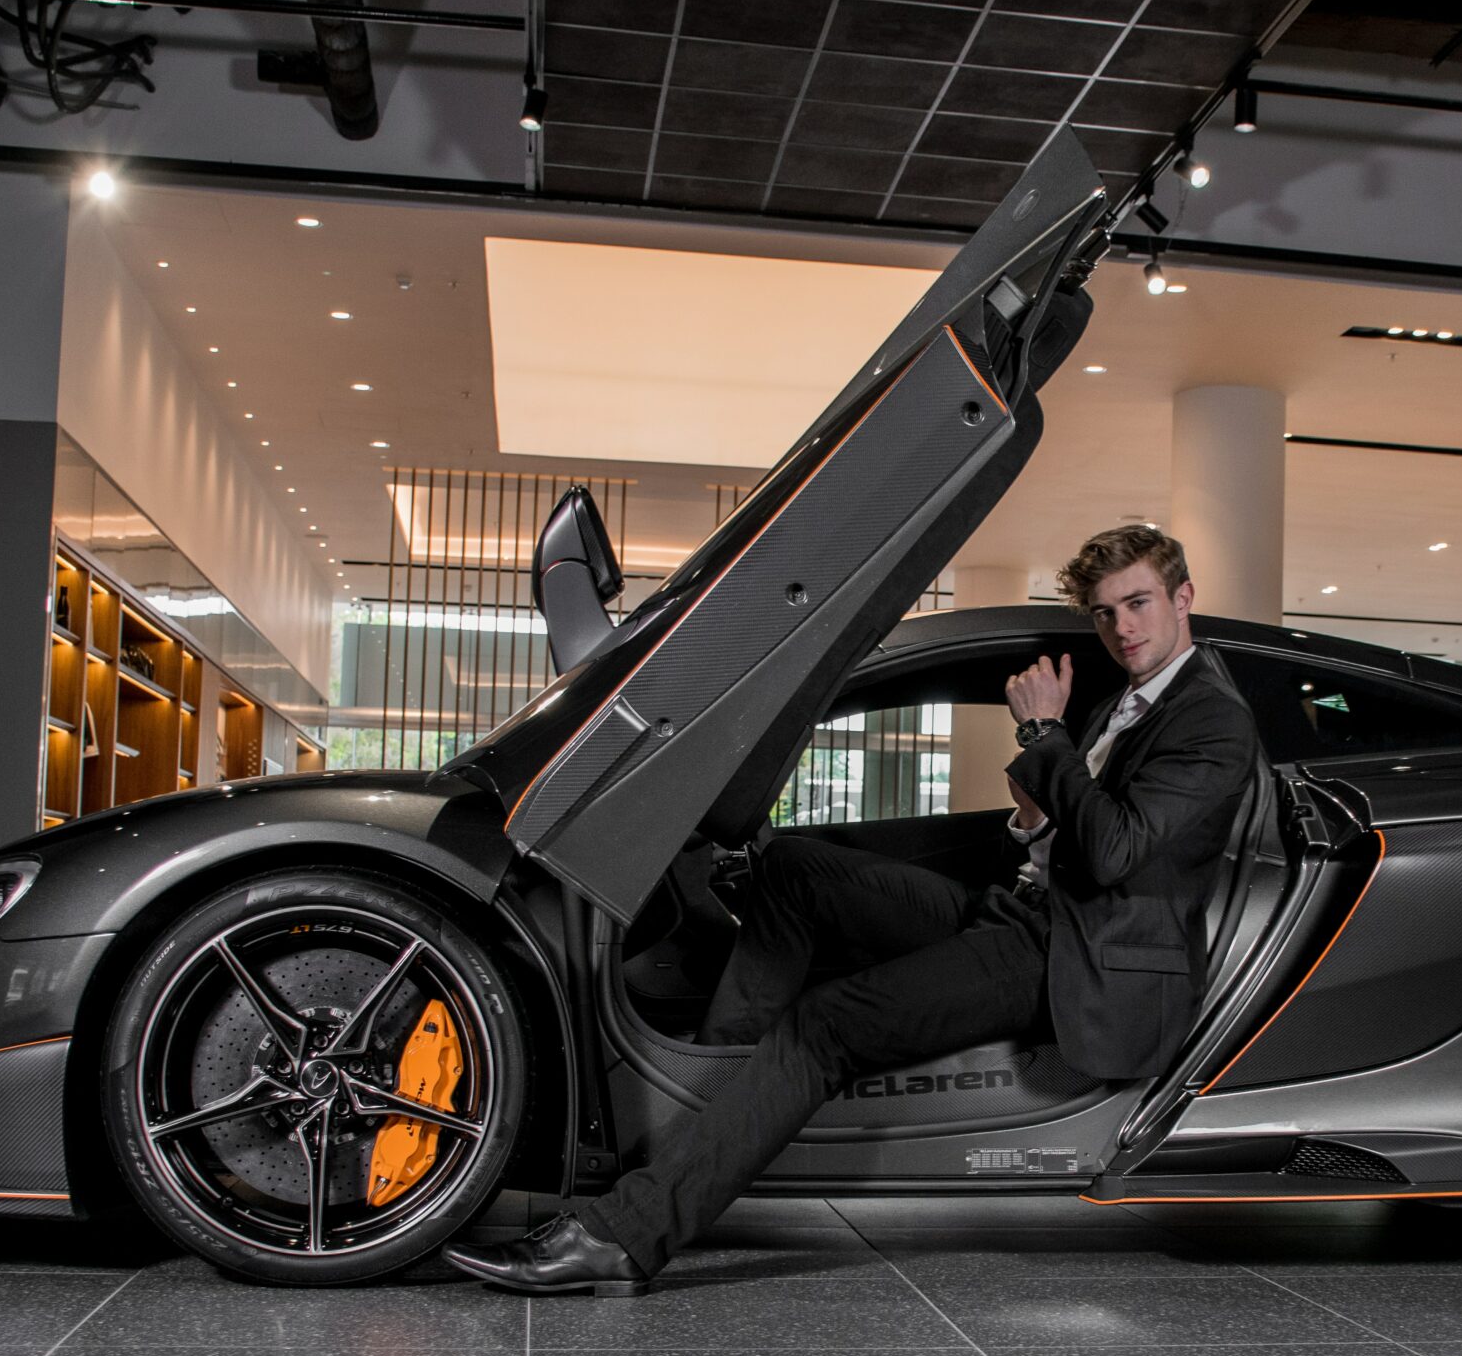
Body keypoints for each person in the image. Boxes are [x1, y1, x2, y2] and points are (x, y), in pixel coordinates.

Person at [444, 525, 1264, 1296]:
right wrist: (1033, 818)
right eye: (1105, 611)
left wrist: (1046, 735)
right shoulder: (1127, 699)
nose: (1122, 627)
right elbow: (1077, 832)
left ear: (1183, 596)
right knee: (797, 868)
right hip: (1023, 907)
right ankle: (715, 1082)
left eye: (1139, 603)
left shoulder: (1210, 715)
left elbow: (1120, 850)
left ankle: (622, 1236)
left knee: (824, 1026)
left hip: (1075, 949)